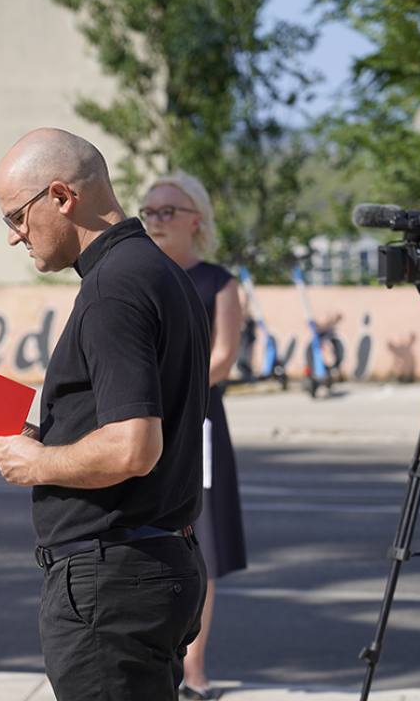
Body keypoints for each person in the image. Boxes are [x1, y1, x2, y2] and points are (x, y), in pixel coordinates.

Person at [0, 128, 212, 701]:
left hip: (114, 581)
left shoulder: (112, 289)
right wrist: (38, 439)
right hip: (152, 564)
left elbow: (133, 447)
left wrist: (38, 462)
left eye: (17, 217)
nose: (13, 236)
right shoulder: (159, 271)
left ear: (61, 197)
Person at [141, 170, 247, 699]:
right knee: (143, 541)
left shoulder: (218, 282)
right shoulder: (138, 275)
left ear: (195, 220)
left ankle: (194, 672)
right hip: (138, 423)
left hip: (197, 422)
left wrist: (160, 390)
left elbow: (223, 359)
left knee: (198, 547)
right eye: (149, 211)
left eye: (168, 211)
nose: (156, 220)